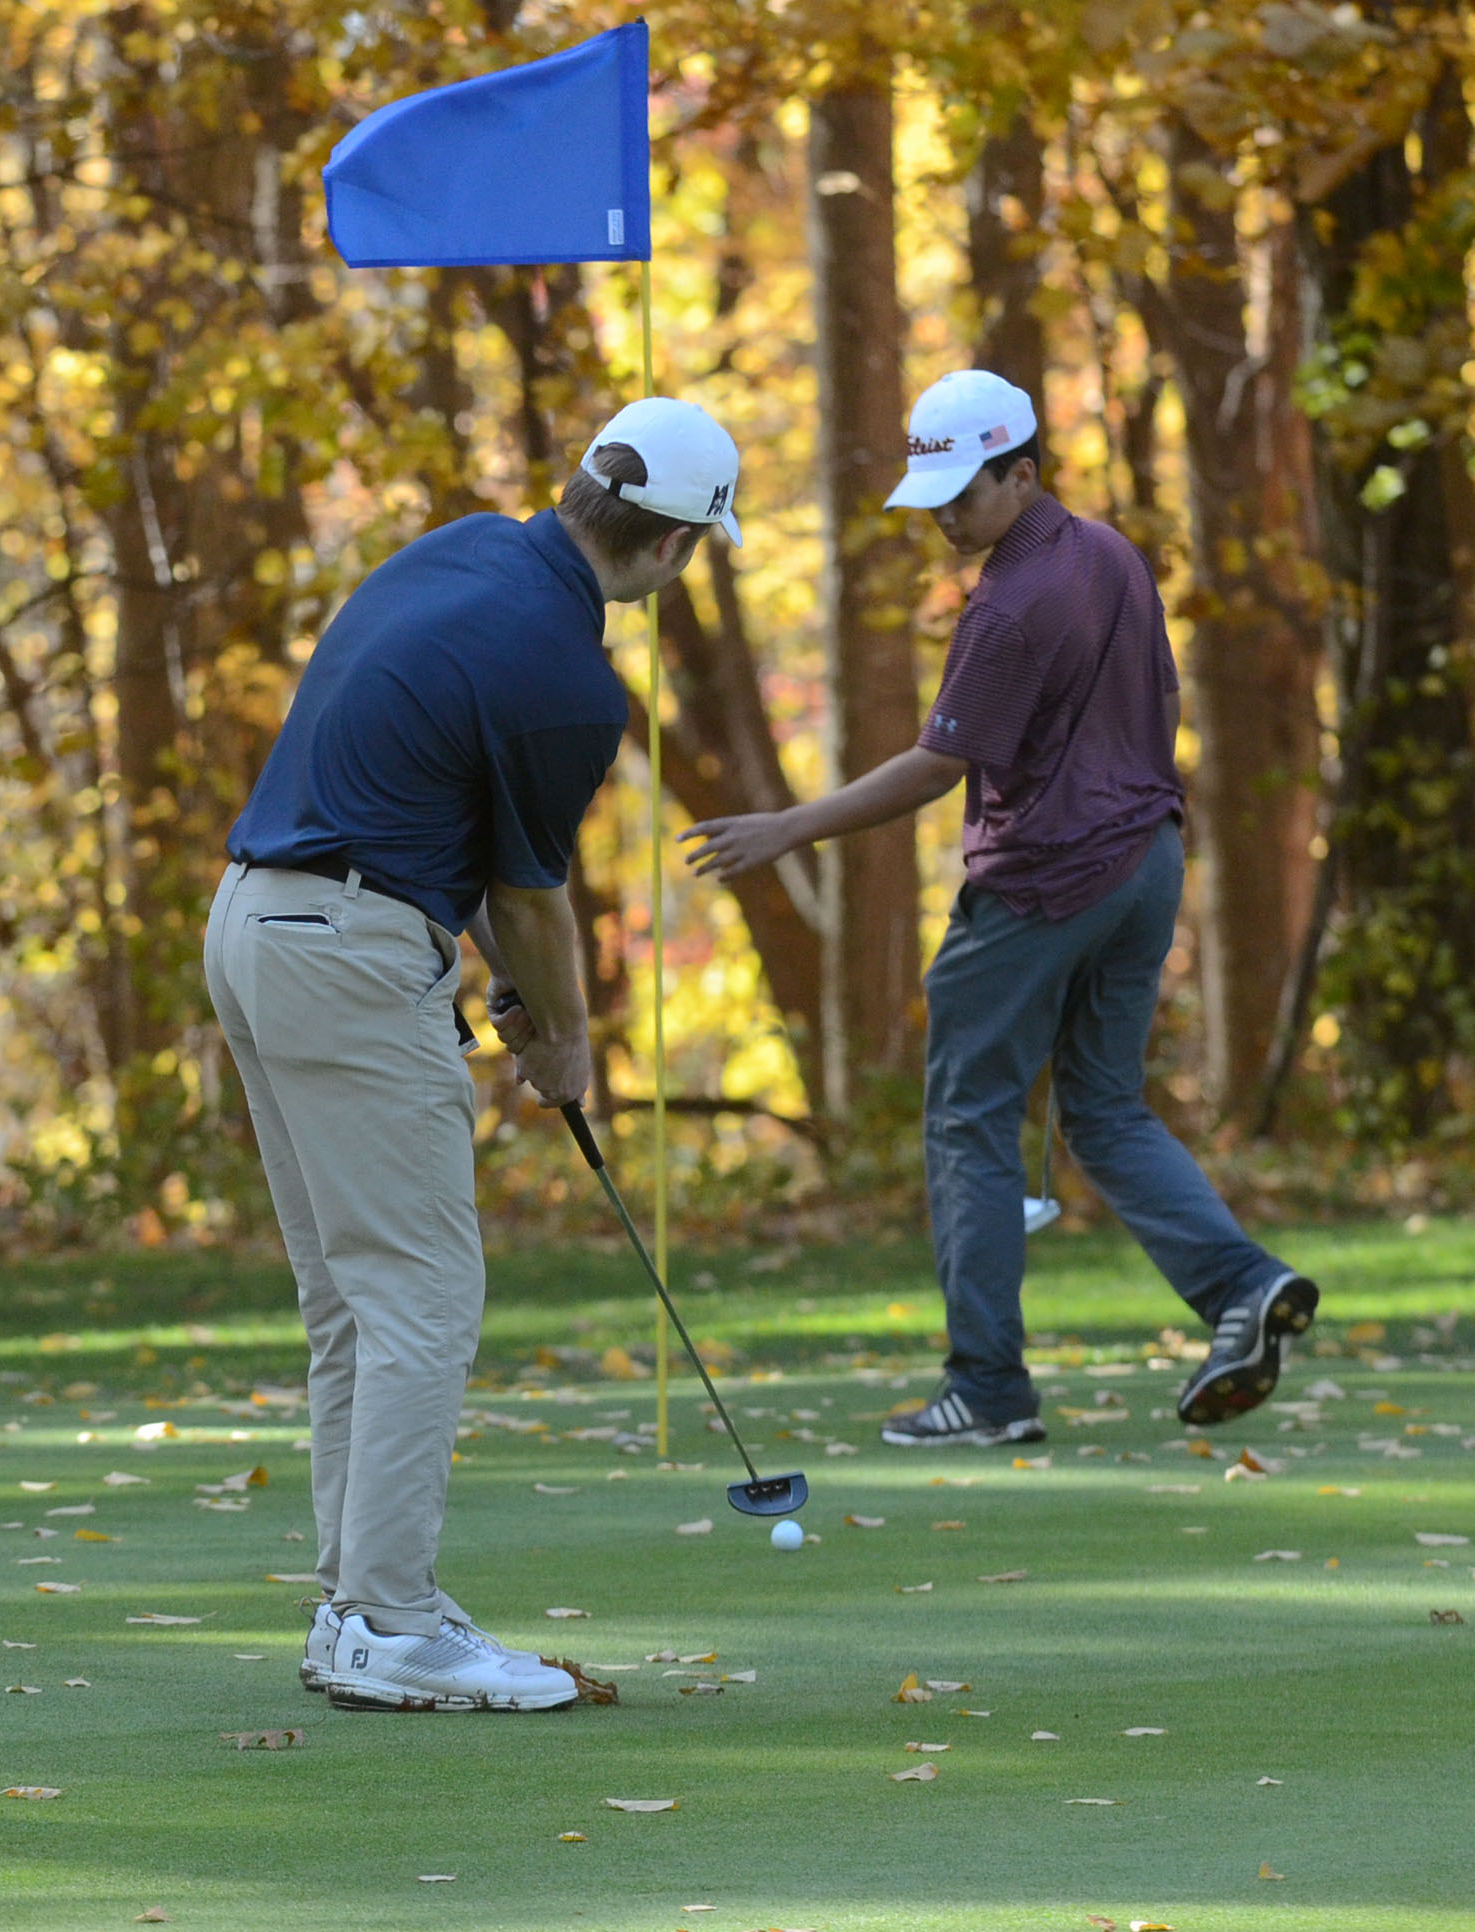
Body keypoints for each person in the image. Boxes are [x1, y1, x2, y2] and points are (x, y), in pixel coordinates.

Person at [207, 397, 742, 1710]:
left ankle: (356, 1610)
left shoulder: (457, 550)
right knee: (422, 1297)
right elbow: (534, 899)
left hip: (254, 920)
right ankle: (390, 1622)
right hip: (344, 942)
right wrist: (563, 1043)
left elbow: (467, 836)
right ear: (675, 551)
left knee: (354, 1298)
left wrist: (510, 984)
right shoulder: (572, 680)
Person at [680, 369, 1315, 1447]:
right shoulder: (1112, 554)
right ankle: (1241, 1289)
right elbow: (1157, 705)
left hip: (1040, 881)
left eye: (961, 499)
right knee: (1105, 1111)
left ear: (1022, 474)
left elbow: (938, 767)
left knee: (969, 1116)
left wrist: (787, 826)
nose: (943, 524)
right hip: (1143, 862)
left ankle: (986, 1385)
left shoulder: (1009, 608)